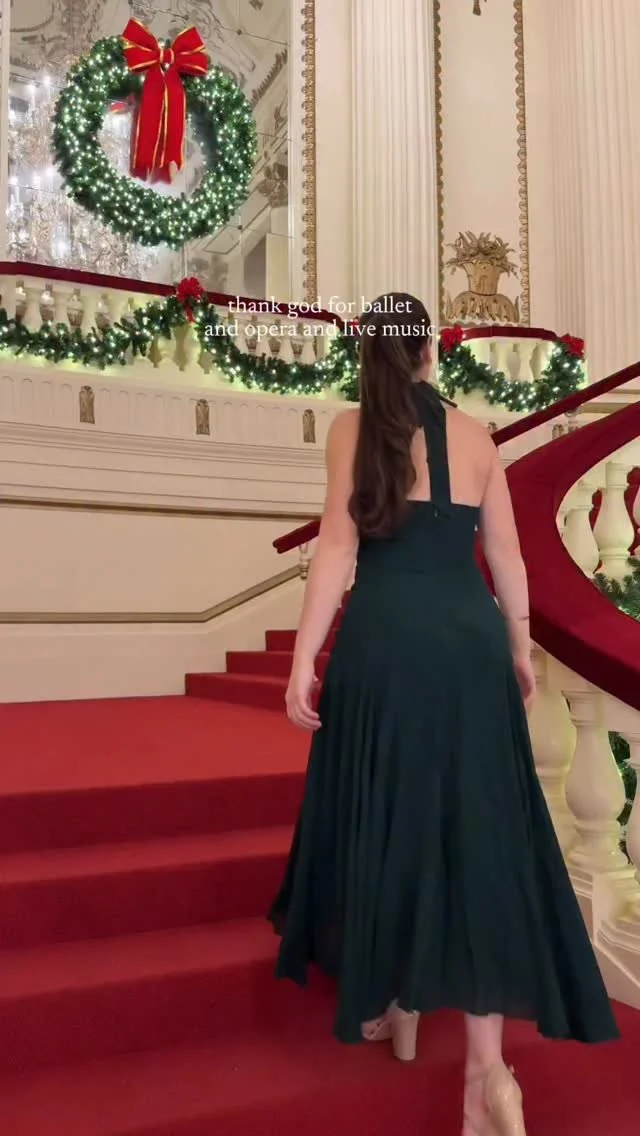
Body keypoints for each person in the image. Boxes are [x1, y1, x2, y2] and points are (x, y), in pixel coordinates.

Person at [268, 294, 619, 1136]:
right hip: (468, 645)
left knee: (387, 814)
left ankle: (396, 1001)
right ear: (430, 351)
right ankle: (487, 1075)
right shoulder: (477, 437)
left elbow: (337, 551)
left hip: (385, 643)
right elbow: (507, 557)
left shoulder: (351, 432)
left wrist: (303, 657)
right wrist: (519, 648)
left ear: (370, 352)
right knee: (476, 835)